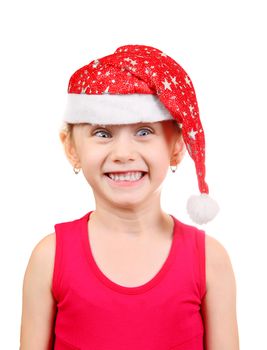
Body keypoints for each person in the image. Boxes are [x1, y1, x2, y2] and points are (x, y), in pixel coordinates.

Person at [20, 44, 239, 349]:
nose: (123, 154)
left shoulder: (210, 261)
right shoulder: (49, 257)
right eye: (102, 133)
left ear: (176, 147)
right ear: (71, 148)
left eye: (145, 131)